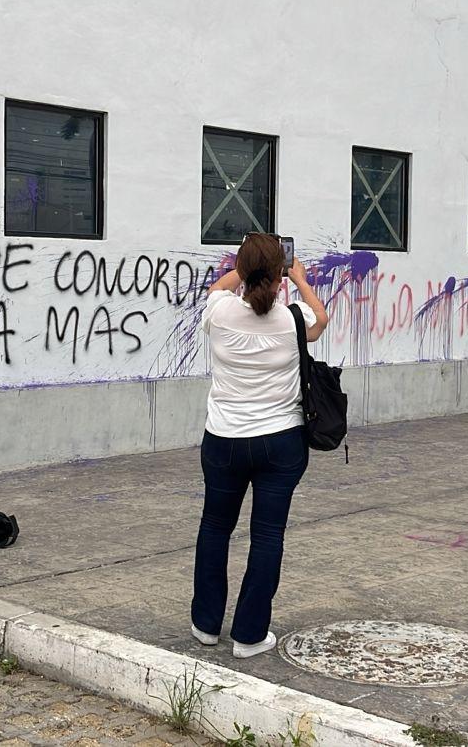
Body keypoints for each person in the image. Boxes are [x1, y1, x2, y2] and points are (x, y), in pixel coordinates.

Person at [190, 233, 329, 658]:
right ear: (277, 275)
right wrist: (299, 278)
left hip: (224, 441)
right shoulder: (291, 317)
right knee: (267, 535)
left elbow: (218, 288)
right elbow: (321, 322)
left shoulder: (221, 310)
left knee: (215, 527)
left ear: (243, 271)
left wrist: (247, 268)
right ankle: (249, 636)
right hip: (280, 443)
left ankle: (206, 625)